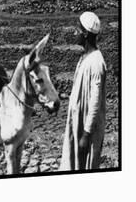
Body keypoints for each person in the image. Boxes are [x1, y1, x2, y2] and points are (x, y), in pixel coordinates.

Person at [60, 11, 107, 170]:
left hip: (86, 129)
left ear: (86, 33)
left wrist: (86, 134)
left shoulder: (96, 62)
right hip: (77, 123)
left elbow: (95, 101)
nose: (74, 32)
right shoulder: (85, 57)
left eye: (77, 29)